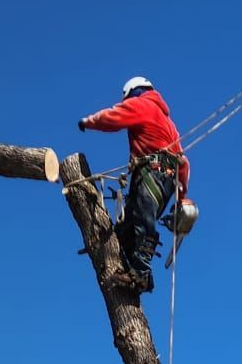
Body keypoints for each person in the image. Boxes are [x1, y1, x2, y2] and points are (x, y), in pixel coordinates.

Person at [78, 77, 189, 293]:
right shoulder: (170, 124)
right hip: (167, 182)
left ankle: (141, 273)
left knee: (142, 218)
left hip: (151, 172)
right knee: (127, 230)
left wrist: (89, 121)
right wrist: (181, 197)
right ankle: (131, 273)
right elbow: (183, 163)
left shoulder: (143, 104)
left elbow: (114, 117)